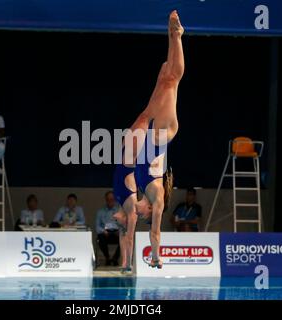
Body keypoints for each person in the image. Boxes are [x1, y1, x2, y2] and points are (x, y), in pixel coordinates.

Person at [113, 11, 185, 270]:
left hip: (151, 134)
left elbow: (126, 168)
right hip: (162, 134)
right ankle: (177, 35)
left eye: (139, 216)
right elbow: (155, 234)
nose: (139, 215)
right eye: (141, 216)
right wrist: (156, 257)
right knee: (171, 81)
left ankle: (171, 33)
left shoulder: (140, 189)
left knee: (166, 74)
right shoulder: (158, 199)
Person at [95, 191, 121, 266]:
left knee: (125, 238)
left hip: (116, 233)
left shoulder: (119, 211)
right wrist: (103, 231)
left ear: (114, 200)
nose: (110, 201)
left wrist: (120, 230)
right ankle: (108, 258)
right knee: (100, 238)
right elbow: (97, 226)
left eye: (112, 199)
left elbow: (124, 224)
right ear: (106, 200)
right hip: (105, 233)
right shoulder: (100, 211)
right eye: (108, 199)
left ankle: (115, 258)